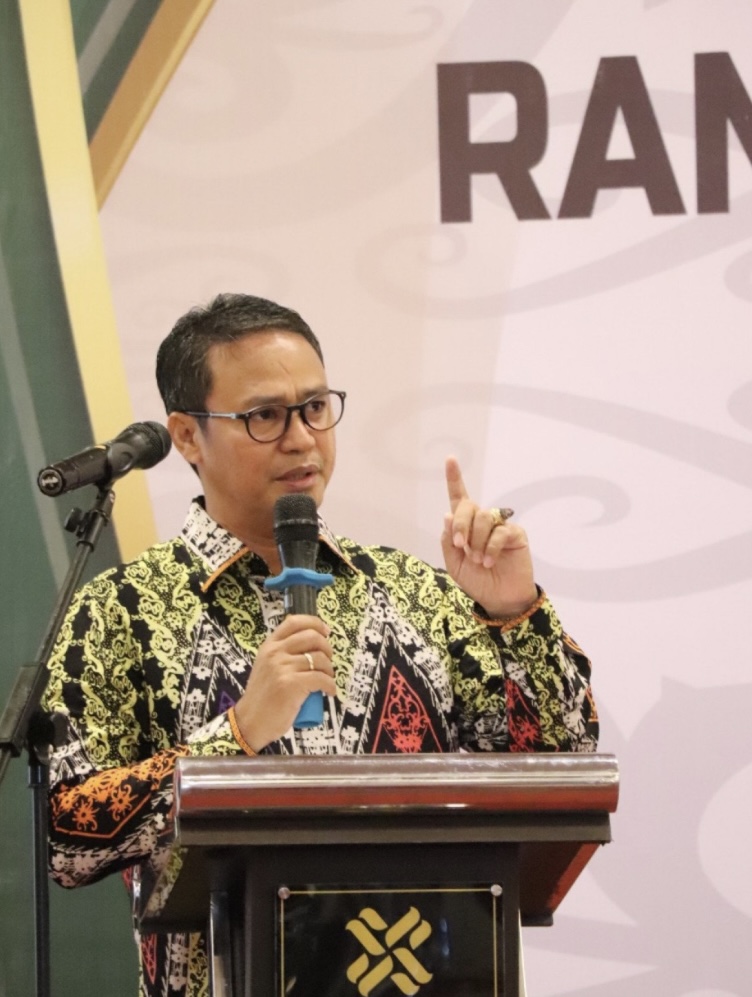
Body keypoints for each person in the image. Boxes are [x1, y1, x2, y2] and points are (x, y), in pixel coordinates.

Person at [42, 292, 599, 997]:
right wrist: (235, 736)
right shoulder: (121, 610)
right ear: (186, 436)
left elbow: (565, 762)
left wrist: (515, 611)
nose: (302, 438)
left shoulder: (417, 593)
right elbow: (66, 836)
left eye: (314, 407)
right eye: (265, 416)